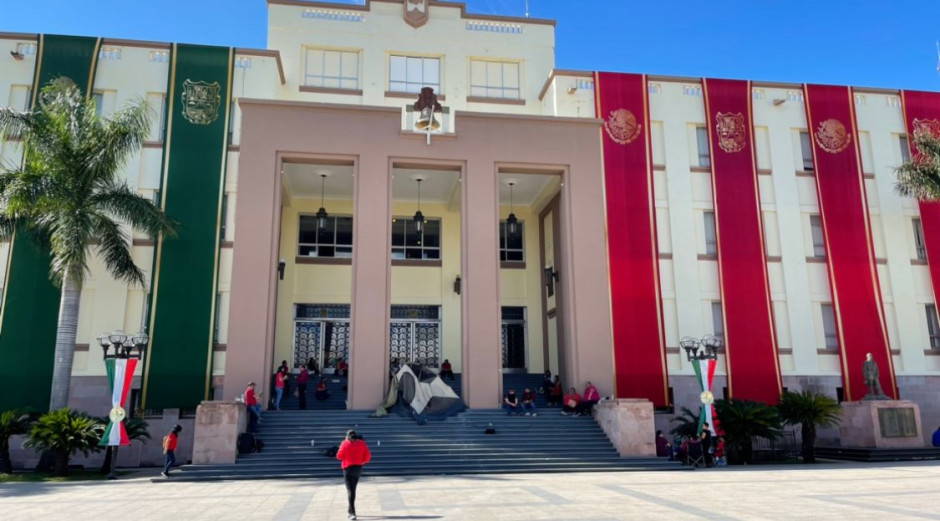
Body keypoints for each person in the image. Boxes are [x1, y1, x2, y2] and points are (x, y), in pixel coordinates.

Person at [337, 429, 371, 520]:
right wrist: (362, 461)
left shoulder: (344, 443)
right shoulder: (362, 443)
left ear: (347, 436)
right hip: (358, 468)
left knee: (350, 491)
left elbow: (339, 456)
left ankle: (352, 513)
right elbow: (368, 456)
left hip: (347, 469)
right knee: (353, 489)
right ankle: (350, 510)